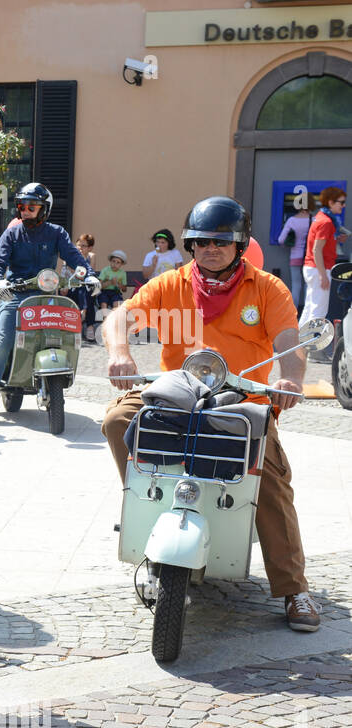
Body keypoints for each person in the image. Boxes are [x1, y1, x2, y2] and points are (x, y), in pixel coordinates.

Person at [100, 196, 319, 632]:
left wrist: (291, 379)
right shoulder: (171, 284)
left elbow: (289, 342)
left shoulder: (267, 288)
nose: (210, 249)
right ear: (190, 245)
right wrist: (119, 352)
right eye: (200, 242)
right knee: (117, 421)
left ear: (241, 245)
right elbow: (119, 319)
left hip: (244, 396)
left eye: (222, 242)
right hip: (178, 392)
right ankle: (148, 505)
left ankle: (295, 589)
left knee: (270, 479)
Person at [0, 182, 98, 424]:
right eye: (22, 206)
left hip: (47, 296)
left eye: (31, 207)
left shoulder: (56, 233)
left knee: (62, 335)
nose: (25, 211)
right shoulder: (12, 233)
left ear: (44, 209)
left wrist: (89, 273)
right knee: (2, 343)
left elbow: (74, 256)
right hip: (15, 295)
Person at [298, 187, 347, 329]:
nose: (343, 206)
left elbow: (318, 247)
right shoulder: (326, 222)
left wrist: (336, 240)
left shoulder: (321, 218)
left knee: (310, 308)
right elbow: (317, 249)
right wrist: (322, 275)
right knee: (318, 311)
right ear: (331, 202)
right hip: (319, 268)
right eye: (341, 202)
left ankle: (300, 345)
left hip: (313, 267)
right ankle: (311, 347)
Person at [276, 204, 312, 312]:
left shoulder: (291, 220)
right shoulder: (313, 220)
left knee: (296, 285)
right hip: (309, 257)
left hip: (295, 256)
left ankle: (294, 312)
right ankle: (307, 313)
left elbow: (281, 240)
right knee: (308, 286)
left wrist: (289, 244)